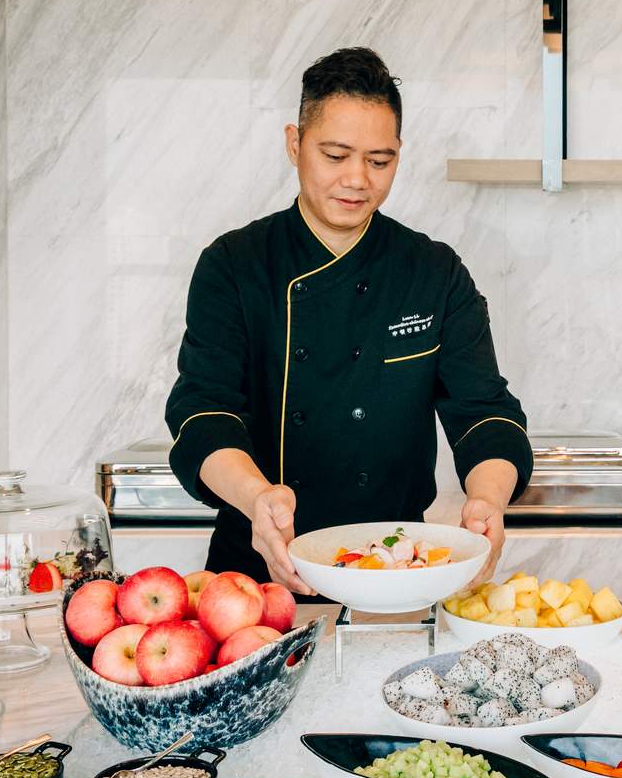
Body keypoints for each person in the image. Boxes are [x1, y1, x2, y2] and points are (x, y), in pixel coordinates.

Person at [164, 46, 530, 595]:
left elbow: (485, 412)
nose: (358, 179)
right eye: (336, 155)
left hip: (395, 570)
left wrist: (488, 500)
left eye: (379, 161)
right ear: (295, 144)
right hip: (254, 575)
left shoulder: (432, 271)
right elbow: (203, 412)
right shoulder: (235, 265)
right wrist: (257, 499)